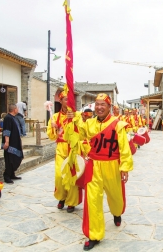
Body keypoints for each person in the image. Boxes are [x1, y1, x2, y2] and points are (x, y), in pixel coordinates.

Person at [67, 93, 133, 251]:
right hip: (94, 165)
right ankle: (94, 234)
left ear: (109, 107)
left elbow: (124, 148)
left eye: (103, 104)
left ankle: (117, 213)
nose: (99, 107)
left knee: (115, 196)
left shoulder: (118, 124)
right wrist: (74, 116)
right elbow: (80, 132)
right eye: (97, 104)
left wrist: (124, 167)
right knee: (93, 200)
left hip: (112, 166)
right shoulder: (89, 123)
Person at [47, 91, 82, 213]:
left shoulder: (77, 114)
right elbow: (52, 136)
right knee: (59, 176)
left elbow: (82, 131)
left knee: (72, 177)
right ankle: (61, 198)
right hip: (61, 149)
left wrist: (75, 120)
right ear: (60, 101)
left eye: (70, 100)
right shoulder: (55, 116)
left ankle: (71, 202)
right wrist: (53, 127)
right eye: (66, 99)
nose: (68, 102)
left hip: (73, 149)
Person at [2, 104, 23, 184]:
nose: (17, 110)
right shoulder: (8, 118)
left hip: (15, 141)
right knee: (10, 160)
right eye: (17, 108)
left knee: (16, 158)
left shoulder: (14, 118)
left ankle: (12, 174)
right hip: (10, 143)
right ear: (14, 109)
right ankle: (7, 175)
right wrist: (6, 141)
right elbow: (6, 130)